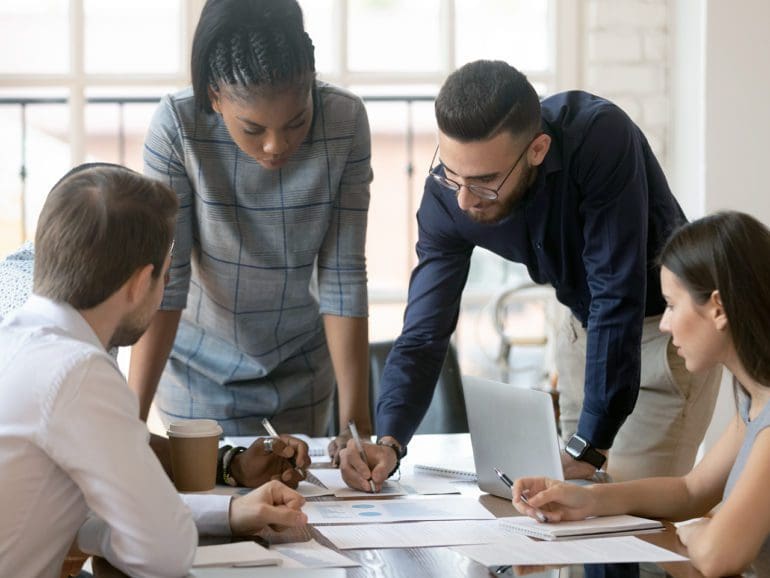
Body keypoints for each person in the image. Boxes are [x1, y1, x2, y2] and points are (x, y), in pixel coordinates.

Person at [340, 59, 721, 492]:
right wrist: (390, 441)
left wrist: (590, 446)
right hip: (583, 332)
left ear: (537, 150)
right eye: (452, 172)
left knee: (634, 517)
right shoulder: (447, 196)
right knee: (573, 513)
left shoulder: (599, 137)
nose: (464, 200)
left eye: (485, 181)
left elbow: (617, 293)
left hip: (667, 337)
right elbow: (424, 332)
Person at [0, 163, 307, 578]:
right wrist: (125, 530)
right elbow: (163, 553)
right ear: (140, 282)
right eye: (166, 273)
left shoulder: (18, 340)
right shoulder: (78, 371)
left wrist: (228, 511)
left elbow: (84, 515)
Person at [131, 0, 373, 466]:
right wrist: (129, 420)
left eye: (296, 122)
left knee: (297, 512)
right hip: (200, 372)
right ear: (214, 95)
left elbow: (343, 274)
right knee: (216, 503)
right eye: (252, 128)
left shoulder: (344, 121)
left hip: (302, 367)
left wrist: (355, 424)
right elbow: (168, 280)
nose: (276, 145)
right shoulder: (177, 126)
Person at [513, 211, 770, 577]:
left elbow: (716, 556)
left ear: (717, 308)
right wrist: (586, 500)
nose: (664, 324)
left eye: (671, 305)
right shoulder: (753, 398)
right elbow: (691, 492)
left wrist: (698, 530)